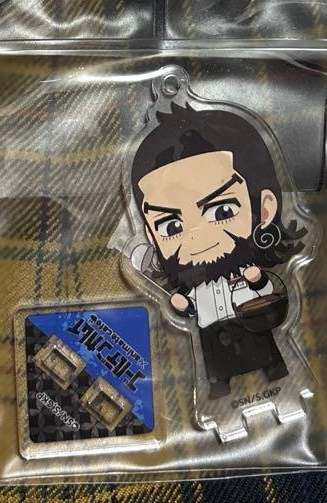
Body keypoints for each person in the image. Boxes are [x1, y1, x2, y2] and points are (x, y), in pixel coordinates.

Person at [129, 104, 306, 398]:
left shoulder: (246, 269)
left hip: (251, 322)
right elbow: (191, 308)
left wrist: (257, 280)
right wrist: (183, 306)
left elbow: (268, 291)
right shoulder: (193, 282)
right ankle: (218, 389)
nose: (198, 239)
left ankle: (276, 373)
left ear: (265, 208)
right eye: (171, 226)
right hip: (211, 333)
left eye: (223, 211)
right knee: (217, 370)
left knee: (267, 356)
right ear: (151, 235)